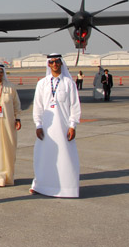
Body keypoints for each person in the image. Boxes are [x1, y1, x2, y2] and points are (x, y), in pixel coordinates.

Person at [30, 53, 81, 198]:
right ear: (48, 64)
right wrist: (38, 125)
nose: (54, 64)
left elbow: (75, 106)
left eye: (57, 61)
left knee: (66, 157)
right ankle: (41, 186)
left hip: (64, 127)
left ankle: (67, 188)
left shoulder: (69, 83)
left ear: (61, 63)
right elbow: (38, 106)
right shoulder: (42, 83)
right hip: (46, 128)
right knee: (43, 157)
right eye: (51, 62)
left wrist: (72, 125)